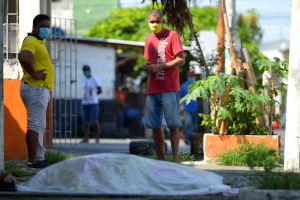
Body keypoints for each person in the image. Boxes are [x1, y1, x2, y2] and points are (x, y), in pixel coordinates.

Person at [143, 9, 185, 163]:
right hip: (152, 88)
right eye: (152, 22)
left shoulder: (172, 35)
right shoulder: (148, 39)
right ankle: (161, 160)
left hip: (169, 88)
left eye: (157, 21)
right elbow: (150, 61)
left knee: (173, 125)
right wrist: (147, 66)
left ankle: (175, 160)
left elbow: (181, 60)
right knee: (155, 126)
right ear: (148, 22)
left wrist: (160, 67)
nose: (155, 24)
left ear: (162, 21)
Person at [18, 14, 53, 170]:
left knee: (39, 125)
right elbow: (24, 57)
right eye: (43, 26)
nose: (46, 29)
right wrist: (36, 74)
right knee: (34, 124)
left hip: (39, 89)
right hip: (35, 87)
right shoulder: (31, 40)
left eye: (48, 26)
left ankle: (39, 159)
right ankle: (33, 162)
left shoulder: (39, 42)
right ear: (35, 27)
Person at [81, 65, 102, 143]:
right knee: (85, 120)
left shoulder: (95, 79)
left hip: (93, 102)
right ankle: (86, 138)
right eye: (84, 71)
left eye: (86, 70)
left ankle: (97, 137)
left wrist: (93, 95)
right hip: (84, 102)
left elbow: (100, 90)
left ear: (89, 70)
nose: (85, 72)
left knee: (94, 120)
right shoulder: (83, 79)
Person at [179, 71, 198, 145]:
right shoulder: (183, 86)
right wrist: (180, 108)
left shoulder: (197, 85)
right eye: (190, 77)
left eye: (193, 77)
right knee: (188, 123)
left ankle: (193, 139)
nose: (192, 78)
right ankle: (187, 138)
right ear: (188, 77)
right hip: (186, 109)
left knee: (195, 125)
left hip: (195, 109)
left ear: (195, 77)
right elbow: (180, 98)